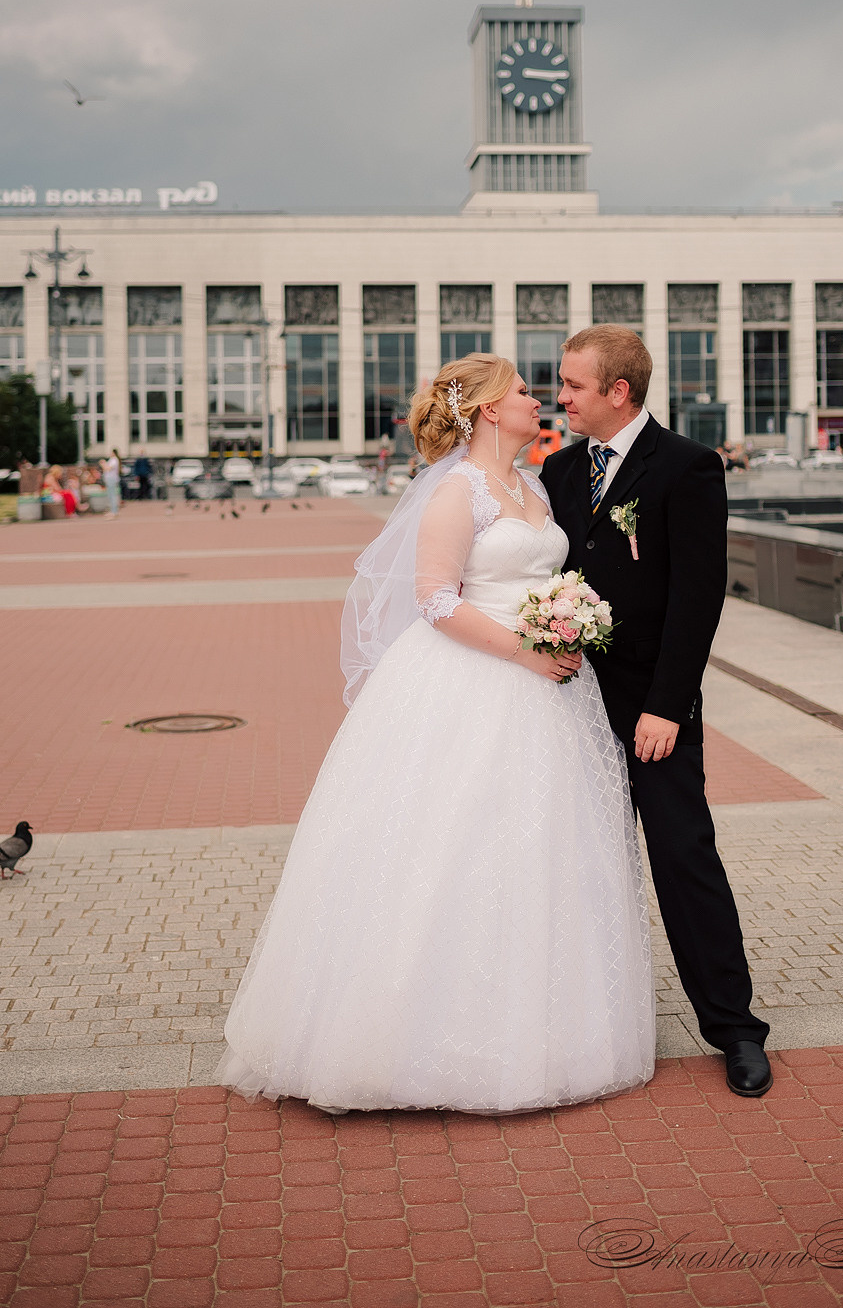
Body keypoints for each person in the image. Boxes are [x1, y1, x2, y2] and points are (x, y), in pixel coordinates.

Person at [220, 352, 655, 1113]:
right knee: (451, 842)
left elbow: (552, 576)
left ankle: (549, 1027)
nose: (539, 400)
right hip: (475, 679)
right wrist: (526, 650)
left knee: (542, 850)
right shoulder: (458, 493)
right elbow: (434, 599)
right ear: (490, 409)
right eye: (525, 391)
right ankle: (411, 1038)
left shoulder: (534, 487)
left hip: (552, 693)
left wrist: (567, 622)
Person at [541, 325, 771, 1099]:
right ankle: (581, 1017)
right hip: (566, 698)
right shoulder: (560, 469)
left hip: (651, 706)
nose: (559, 397)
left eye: (573, 385)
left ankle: (736, 1030)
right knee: (574, 859)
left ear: (619, 392)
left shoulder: (687, 468)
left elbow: (697, 599)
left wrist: (669, 706)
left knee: (683, 855)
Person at [102, 449, 121, 516]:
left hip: (111, 479)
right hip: (110, 479)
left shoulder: (114, 460)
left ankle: (114, 511)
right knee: (110, 495)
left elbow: (108, 468)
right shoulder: (112, 460)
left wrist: (103, 464)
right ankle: (112, 510)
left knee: (112, 495)